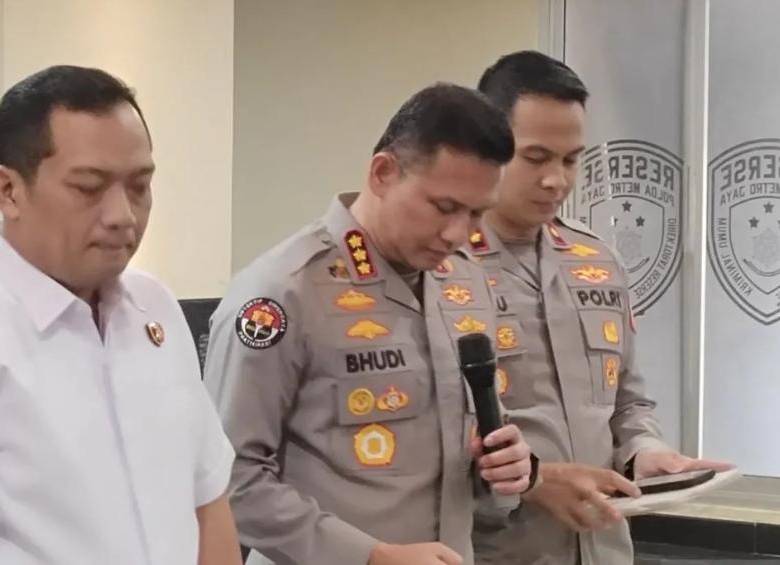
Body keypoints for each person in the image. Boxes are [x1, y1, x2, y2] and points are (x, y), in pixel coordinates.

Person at [204, 83, 535, 565]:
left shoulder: (465, 283)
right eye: (444, 208)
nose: (458, 234)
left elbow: (468, 447)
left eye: (477, 214)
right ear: (383, 173)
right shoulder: (283, 292)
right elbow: (228, 479)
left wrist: (508, 465)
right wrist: (371, 557)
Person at [0, 65, 242, 565]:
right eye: (89, 188)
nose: (122, 216)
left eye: (139, 187)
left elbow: (206, 500)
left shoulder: (154, 307)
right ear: (9, 191)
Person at [469, 50, 732, 565]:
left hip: (603, 549)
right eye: (536, 158)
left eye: (571, 160)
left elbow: (627, 401)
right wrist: (538, 480)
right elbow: (427, 437)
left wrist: (644, 452)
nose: (557, 180)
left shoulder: (597, 260)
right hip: (497, 551)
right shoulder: (440, 266)